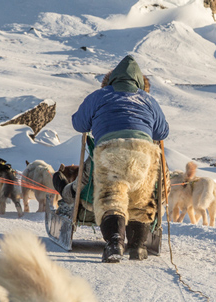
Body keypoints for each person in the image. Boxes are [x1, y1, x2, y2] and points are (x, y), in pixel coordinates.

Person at [71, 55, 169, 262]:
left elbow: (79, 124)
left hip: (111, 149)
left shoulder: (99, 96)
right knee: (141, 201)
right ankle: (138, 246)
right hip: (144, 153)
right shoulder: (148, 99)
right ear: (139, 82)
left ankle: (115, 243)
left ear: (113, 78)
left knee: (111, 198)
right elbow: (162, 132)